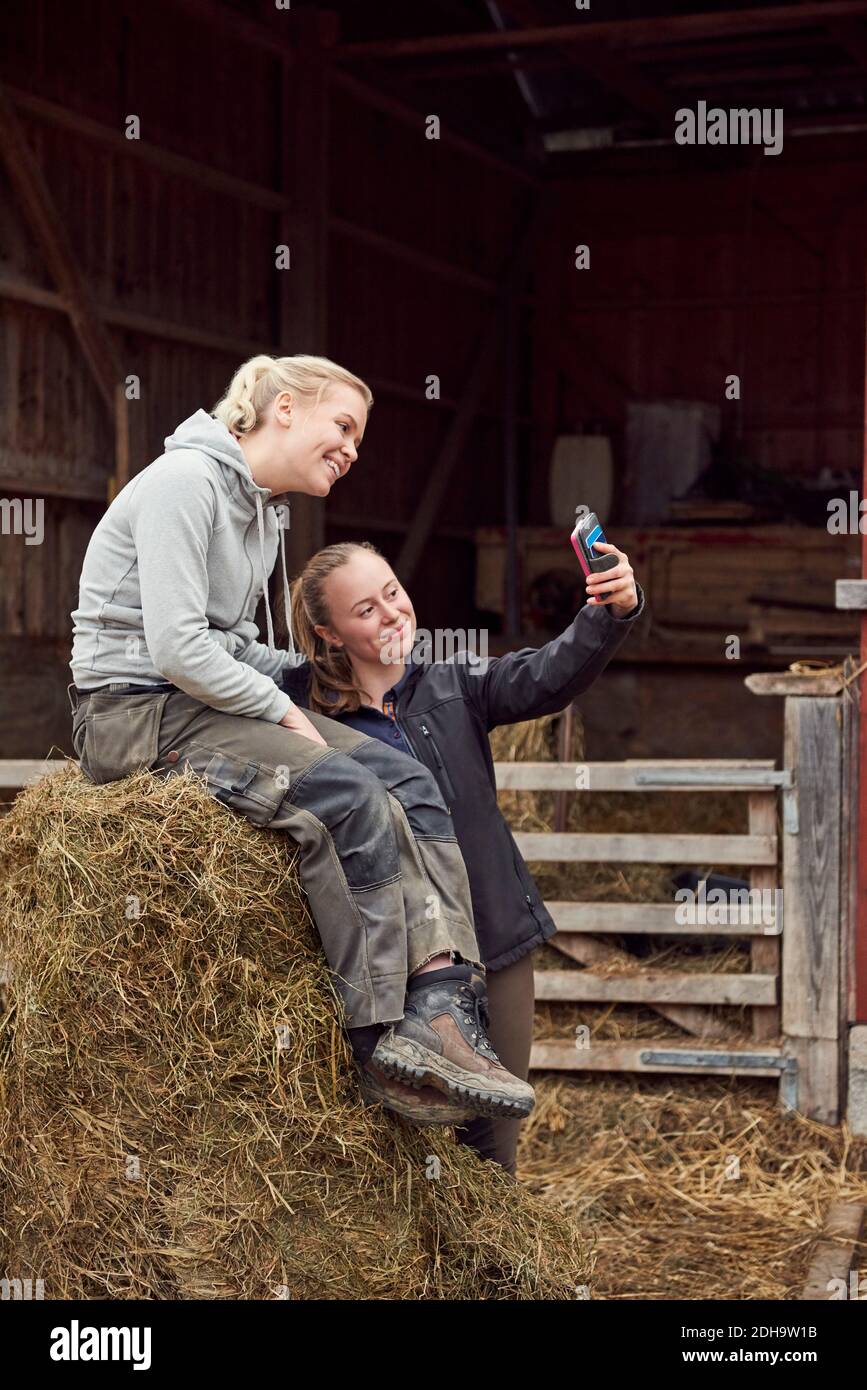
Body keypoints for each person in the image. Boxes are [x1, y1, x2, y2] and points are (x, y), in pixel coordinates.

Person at [68, 353, 534, 1131]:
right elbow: (180, 649)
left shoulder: (254, 510)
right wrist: (283, 712)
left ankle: (442, 1003)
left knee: (405, 779)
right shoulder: (186, 483)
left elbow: (234, 643)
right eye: (343, 426)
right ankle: (378, 1035)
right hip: (133, 714)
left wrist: (308, 673)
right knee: (345, 794)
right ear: (283, 408)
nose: (352, 449)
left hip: (192, 702)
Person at [280, 538, 645, 1178]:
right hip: (382, 960)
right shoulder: (298, 714)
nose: (392, 614)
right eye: (365, 610)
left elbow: (548, 673)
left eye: (392, 592)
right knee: (388, 1144)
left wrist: (609, 612)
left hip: (490, 943)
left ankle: (486, 1273)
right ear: (327, 634)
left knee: (489, 1141)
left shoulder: (458, 683)